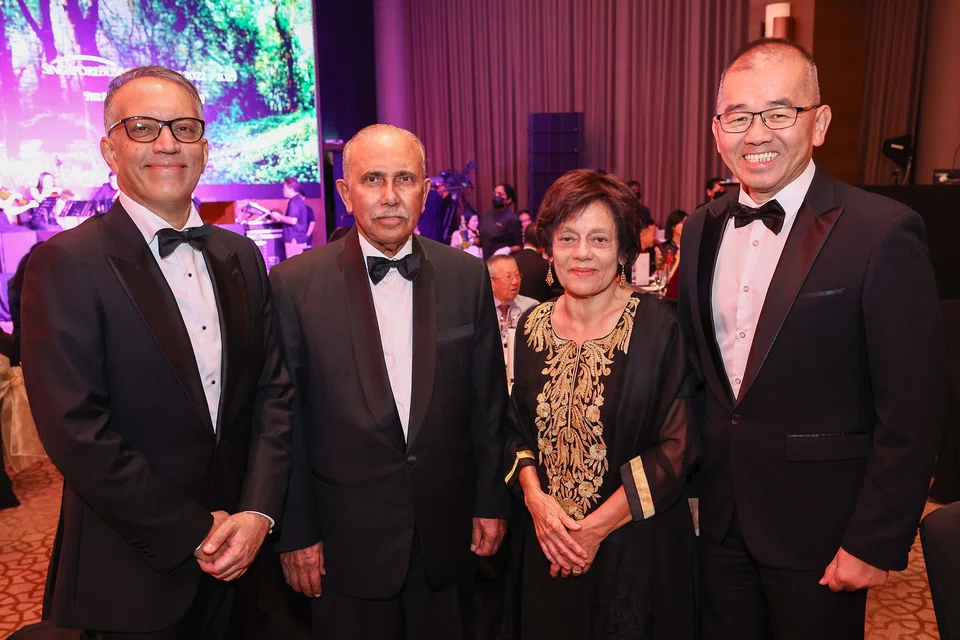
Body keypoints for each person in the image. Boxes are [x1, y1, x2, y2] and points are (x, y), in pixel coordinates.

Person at [678, 38, 945, 639]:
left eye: (778, 113)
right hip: (718, 521)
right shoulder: (700, 227)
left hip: (821, 531)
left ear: (818, 123)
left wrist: (874, 539)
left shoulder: (881, 232)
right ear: (717, 131)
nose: (756, 134)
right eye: (738, 117)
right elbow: (702, 377)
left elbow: (913, 408)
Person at [20, 65, 294, 638]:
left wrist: (258, 513)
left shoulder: (242, 256)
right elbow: (77, 431)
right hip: (132, 571)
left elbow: (274, 394)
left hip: (245, 563)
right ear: (109, 149)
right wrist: (192, 529)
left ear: (204, 147)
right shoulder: (66, 264)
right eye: (143, 127)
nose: (167, 143)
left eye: (184, 128)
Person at [271, 123, 510, 640]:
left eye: (404, 179)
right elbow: (283, 423)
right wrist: (297, 531)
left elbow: (488, 404)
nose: (388, 196)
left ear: (424, 190)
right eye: (372, 179)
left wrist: (490, 501)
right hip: (342, 541)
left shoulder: (466, 276)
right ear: (345, 192)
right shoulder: (294, 285)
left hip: (444, 534)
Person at [504, 168, 700, 639]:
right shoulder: (532, 328)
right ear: (548, 248)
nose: (582, 253)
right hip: (547, 544)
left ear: (624, 251)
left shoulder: (659, 329)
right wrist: (535, 500)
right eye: (568, 238)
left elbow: (677, 447)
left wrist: (591, 531)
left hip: (635, 551)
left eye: (599, 238)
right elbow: (513, 429)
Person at [271, 177, 315, 258]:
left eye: (284, 188)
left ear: (291, 188)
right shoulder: (298, 200)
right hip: (297, 239)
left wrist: (278, 216)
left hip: (294, 240)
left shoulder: (294, 202)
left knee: (294, 266)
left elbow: (293, 220)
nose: (283, 190)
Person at [514, 230, 560, 302]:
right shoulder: (546, 266)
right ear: (542, 243)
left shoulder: (512, 261)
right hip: (540, 310)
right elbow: (557, 290)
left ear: (524, 239)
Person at [479, 182, 522, 258]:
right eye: (495, 193)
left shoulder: (512, 219)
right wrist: (469, 241)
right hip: (484, 259)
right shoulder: (485, 215)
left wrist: (507, 250)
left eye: (500, 194)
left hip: (501, 260)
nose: (496, 196)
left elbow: (519, 246)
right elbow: (482, 238)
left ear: (508, 200)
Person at [631, 217, 662, 284]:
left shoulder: (652, 252)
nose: (655, 237)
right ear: (641, 234)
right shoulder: (628, 253)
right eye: (653, 234)